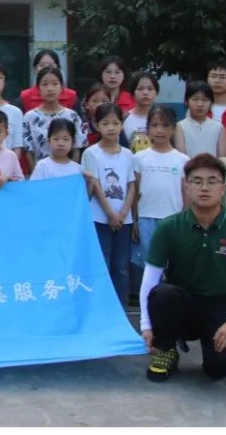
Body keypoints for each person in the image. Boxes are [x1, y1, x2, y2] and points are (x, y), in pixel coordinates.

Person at [140, 153, 226, 382]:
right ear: (186, 187)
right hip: (183, 304)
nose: (204, 188)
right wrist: (146, 325)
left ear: (223, 188)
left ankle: (214, 355)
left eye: (212, 181)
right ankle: (166, 349)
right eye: (197, 181)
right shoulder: (169, 227)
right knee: (162, 294)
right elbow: (150, 278)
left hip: (222, 307)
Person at [82, 103, 136, 307]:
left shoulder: (128, 154)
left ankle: (119, 307)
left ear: (122, 125)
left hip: (124, 220)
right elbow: (95, 184)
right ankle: (100, 307)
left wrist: (123, 213)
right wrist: (110, 213)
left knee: (121, 266)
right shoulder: (91, 153)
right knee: (102, 263)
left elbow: (131, 185)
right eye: (105, 123)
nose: (111, 128)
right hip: (99, 217)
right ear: (97, 125)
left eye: (115, 123)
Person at [131, 106, 189, 294]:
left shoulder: (182, 160)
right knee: (150, 265)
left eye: (165, 125)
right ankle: (149, 301)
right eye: (154, 125)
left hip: (173, 219)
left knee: (172, 263)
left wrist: (185, 220)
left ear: (173, 128)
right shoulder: (139, 158)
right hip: (146, 217)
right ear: (147, 128)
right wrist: (135, 220)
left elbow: (186, 194)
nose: (159, 130)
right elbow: (135, 191)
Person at [22, 66, 83, 171]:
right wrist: (36, 173)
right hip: (40, 172)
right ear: (38, 89)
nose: (50, 88)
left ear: (62, 88)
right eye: (45, 84)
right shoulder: (29, 117)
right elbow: (28, 150)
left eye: (55, 84)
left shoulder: (72, 116)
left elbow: (77, 147)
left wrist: (72, 172)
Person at [174, 80, 226, 158]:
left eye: (205, 100)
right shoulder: (180, 126)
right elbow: (181, 157)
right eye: (195, 99)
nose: (200, 104)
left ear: (211, 102)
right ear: (186, 101)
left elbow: (222, 158)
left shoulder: (219, 127)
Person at [123, 72, 159, 153]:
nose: (145, 93)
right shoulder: (124, 118)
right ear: (132, 93)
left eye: (150, 89)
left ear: (156, 93)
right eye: (140, 89)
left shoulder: (163, 119)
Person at [78, 83, 113, 151]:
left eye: (104, 101)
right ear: (86, 105)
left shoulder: (115, 126)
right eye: (94, 101)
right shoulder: (83, 128)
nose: (99, 104)